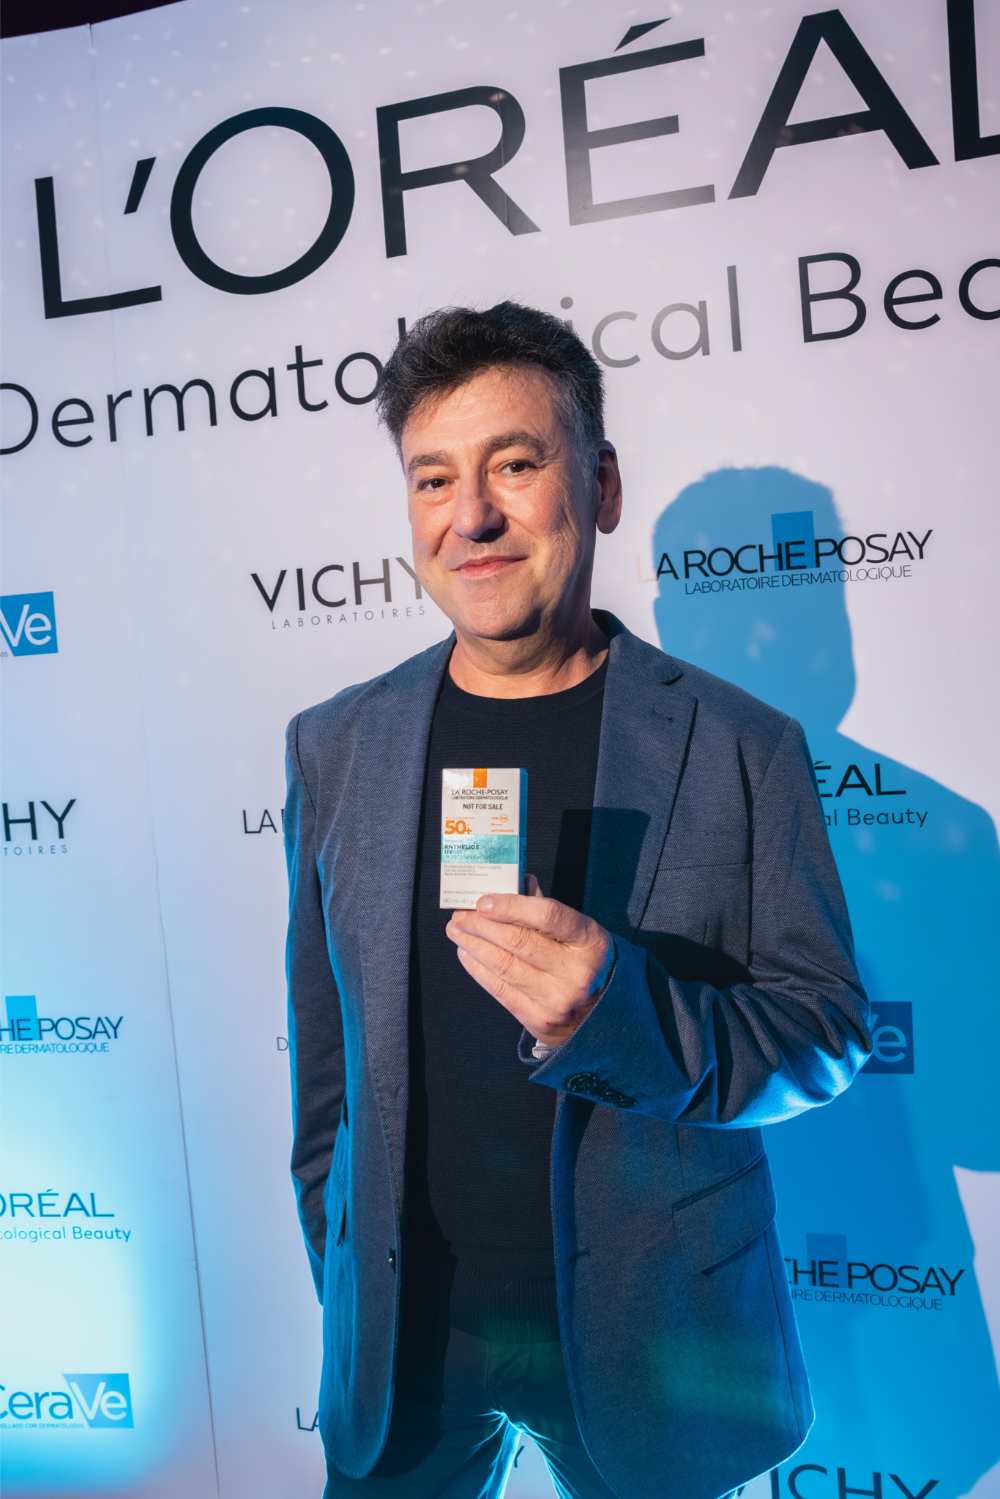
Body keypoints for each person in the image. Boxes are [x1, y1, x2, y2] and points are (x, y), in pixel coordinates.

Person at [282, 301, 873, 1499]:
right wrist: (345, 1274)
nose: (471, 515)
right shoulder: (335, 743)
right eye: (433, 477)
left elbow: (823, 1032)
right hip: (406, 1347)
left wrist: (617, 1013)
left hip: (656, 1347)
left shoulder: (741, 745)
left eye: (514, 463)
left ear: (598, 486)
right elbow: (326, 1066)